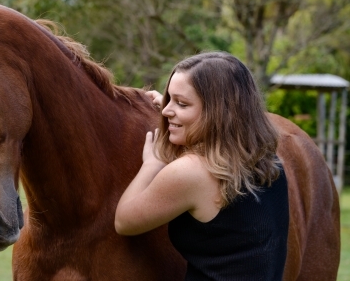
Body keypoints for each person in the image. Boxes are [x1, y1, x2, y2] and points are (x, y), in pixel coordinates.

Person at [115, 51, 289, 280]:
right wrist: (179, 110)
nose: (166, 111)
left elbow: (124, 222)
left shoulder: (191, 173)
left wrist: (152, 163)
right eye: (169, 98)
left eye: (182, 103)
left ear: (219, 113)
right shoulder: (268, 161)